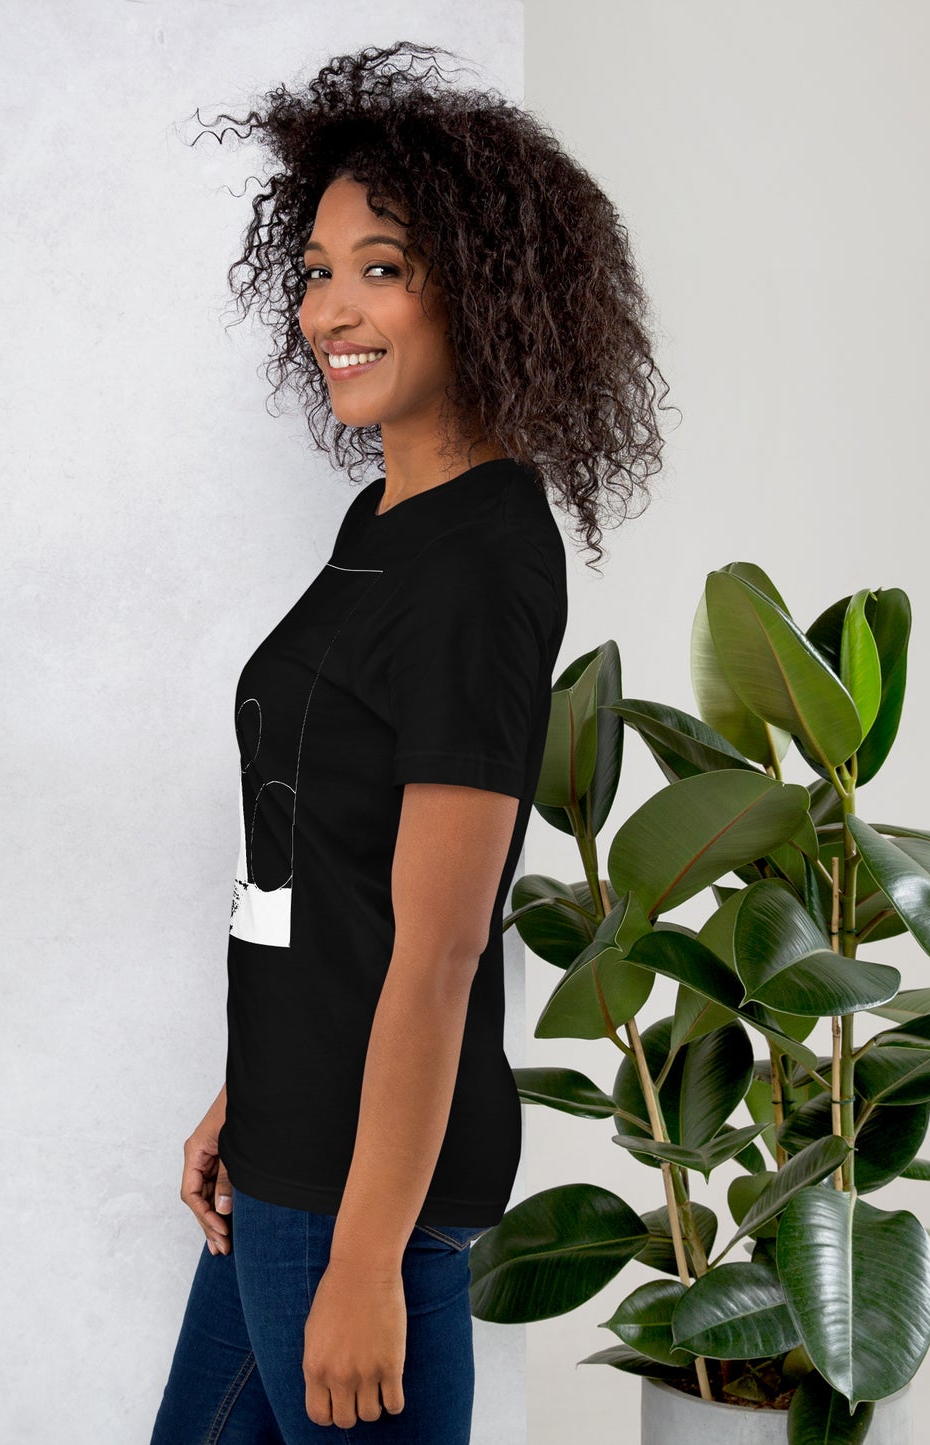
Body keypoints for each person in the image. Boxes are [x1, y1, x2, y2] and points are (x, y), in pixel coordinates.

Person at [151, 40, 670, 1445]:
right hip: (285, 1160)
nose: (332, 307)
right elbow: (327, 862)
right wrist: (244, 1093)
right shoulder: (383, 522)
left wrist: (368, 1260)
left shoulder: (484, 558)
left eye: (381, 266)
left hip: (355, 1204)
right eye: (316, 270)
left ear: (487, 288)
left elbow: (439, 947)